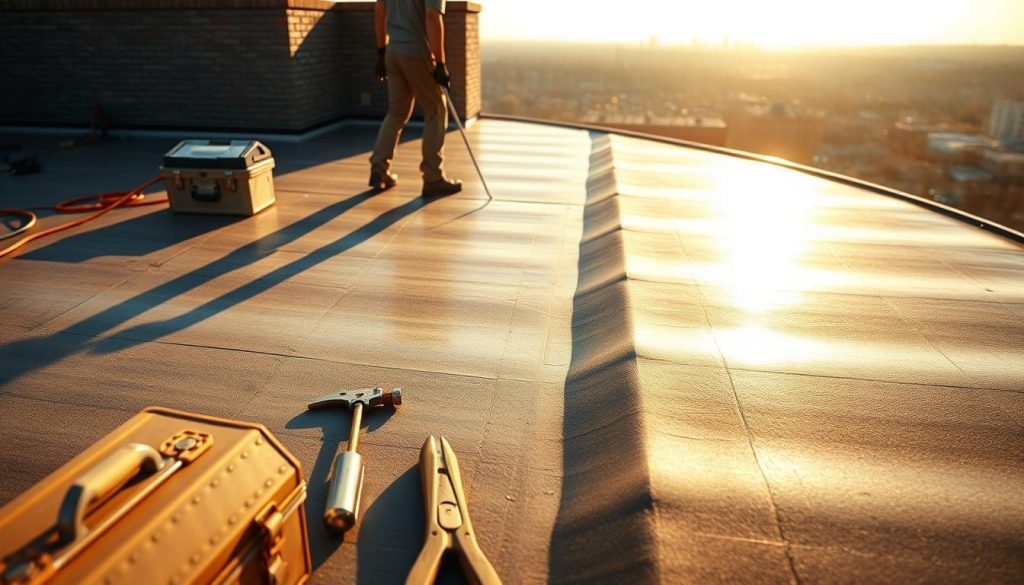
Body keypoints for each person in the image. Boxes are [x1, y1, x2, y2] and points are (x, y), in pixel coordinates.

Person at [369, 0, 462, 197]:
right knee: (436, 110)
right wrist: (440, 63)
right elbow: (432, 16)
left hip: (392, 52)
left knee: (396, 112)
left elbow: (379, 10)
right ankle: (433, 178)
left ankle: (379, 169)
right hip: (417, 52)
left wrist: (380, 52)